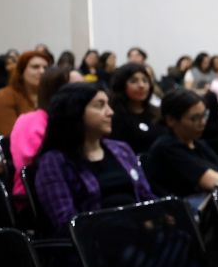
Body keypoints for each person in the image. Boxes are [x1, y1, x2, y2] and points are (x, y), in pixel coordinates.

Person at [33, 83, 154, 233]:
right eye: (100, 105)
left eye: (108, 105)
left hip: (141, 232)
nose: (110, 112)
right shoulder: (54, 161)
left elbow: (146, 196)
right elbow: (67, 222)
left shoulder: (121, 149)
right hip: (98, 239)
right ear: (75, 112)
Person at [10, 66, 83, 199]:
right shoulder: (30, 121)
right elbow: (34, 170)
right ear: (56, 92)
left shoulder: (87, 121)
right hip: (39, 195)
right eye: (76, 89)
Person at [145, 88, 218, 196]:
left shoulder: (197, 143)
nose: (203, 122)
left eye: (204, 115)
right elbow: (215, 182)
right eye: (195, 118)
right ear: (171, 120)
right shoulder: (166, 147)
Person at [109, 63, 166, 154]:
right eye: (134, 81)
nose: (141, 85)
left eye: (145, 81)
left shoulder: (157, 113)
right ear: (121, 85)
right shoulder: (115, 117)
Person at [0, 50, 47, 136]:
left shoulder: (51, 96)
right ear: (21, 71)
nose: (42, 71)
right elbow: (9, 135)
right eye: (35, 67)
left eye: (46, 68)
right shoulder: (4, 95)